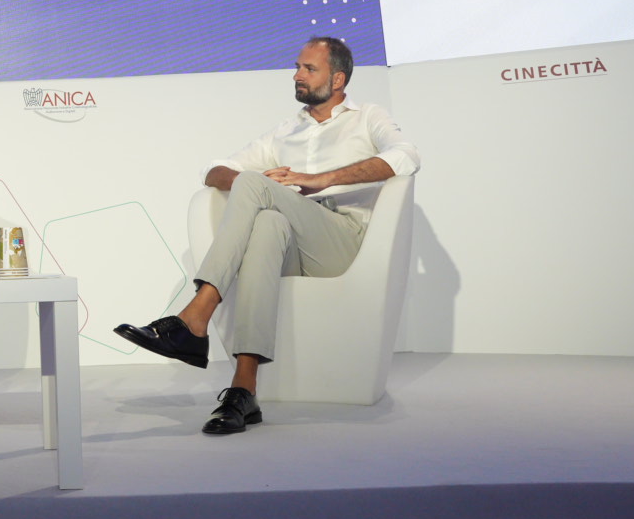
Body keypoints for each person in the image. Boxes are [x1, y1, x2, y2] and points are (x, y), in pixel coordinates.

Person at [115, 36, 419, 435]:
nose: (297, 76)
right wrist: (256, 181)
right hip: (294, 241)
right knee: (267, 224)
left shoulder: (367, 117)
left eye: (309, 69)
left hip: (343, 240)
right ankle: (244, 391)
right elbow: (213, 170)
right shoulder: (286, 131)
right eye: (297, 67)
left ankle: (195, 316)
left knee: (255, 185)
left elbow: (405, 156)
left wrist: (319, 180)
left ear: (338, 79)